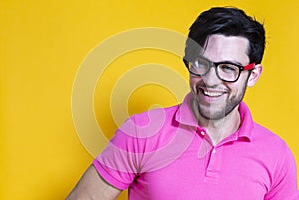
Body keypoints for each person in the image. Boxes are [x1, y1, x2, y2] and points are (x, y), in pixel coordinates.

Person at [67, 7, 299, 199]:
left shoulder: (276, 155)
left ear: (254, 75)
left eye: (228, 68)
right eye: (200, 63)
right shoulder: (141, 132)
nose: (210, 80)